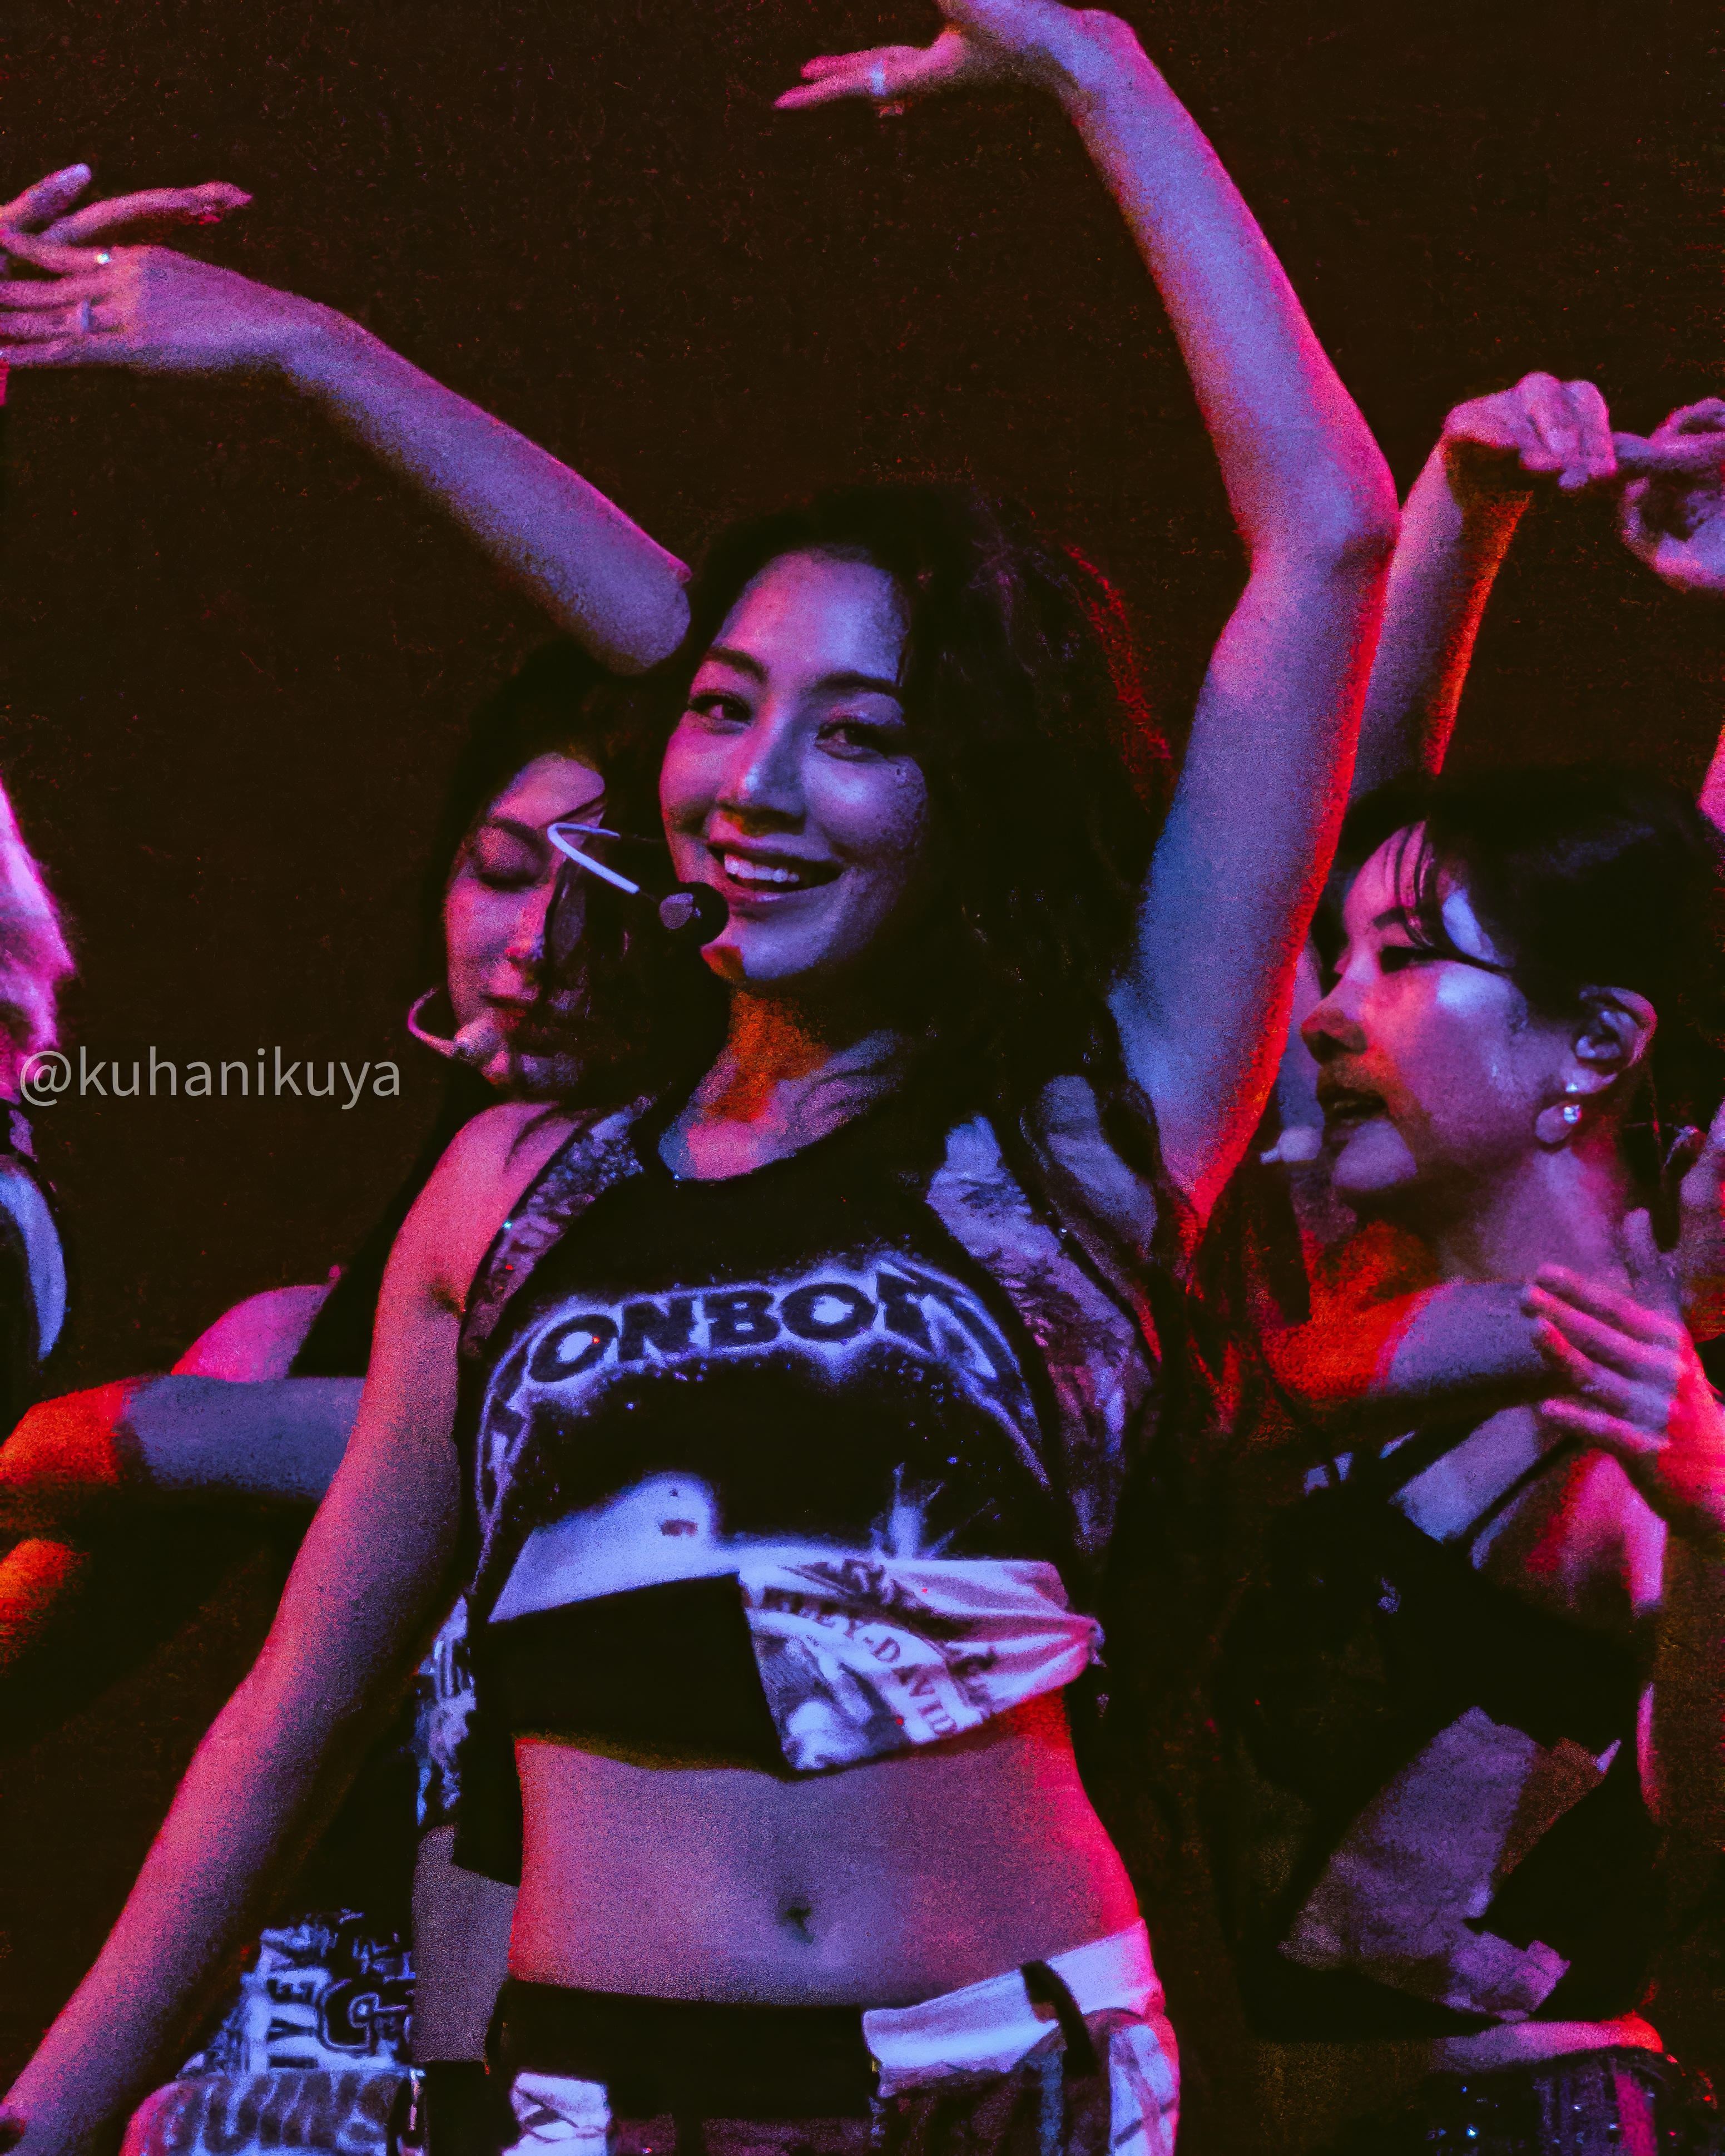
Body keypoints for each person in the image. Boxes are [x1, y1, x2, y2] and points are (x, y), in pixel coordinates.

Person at [0, 3, 1400, 2150]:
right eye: (724, 709)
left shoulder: (1087, 1130)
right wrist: (49, 2110)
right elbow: (289, 1727)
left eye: (862, 732)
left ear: (974, 800)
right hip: (600, 2095)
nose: (758, 779)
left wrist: (1095, 66)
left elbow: (1325, 541)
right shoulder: (517, 1189)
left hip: (1005, 2082)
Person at [0, 641, 628, 2156]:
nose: (533, 944)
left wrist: (148, 1434)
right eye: (499, 870)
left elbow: (390, 1432)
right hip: (324, 2062)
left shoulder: (691, 1316)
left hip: (636, 2049)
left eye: (604, 898)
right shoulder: (304, 1329)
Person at [1215, 761, 1725, 2154]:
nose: (1325, 1012)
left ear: (1598, 1043)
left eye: (1401, 959)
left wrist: (1713, 1522)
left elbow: (1707, 1822)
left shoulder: (1651, 1425)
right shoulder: (1349, 1312)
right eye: (1339, 957)